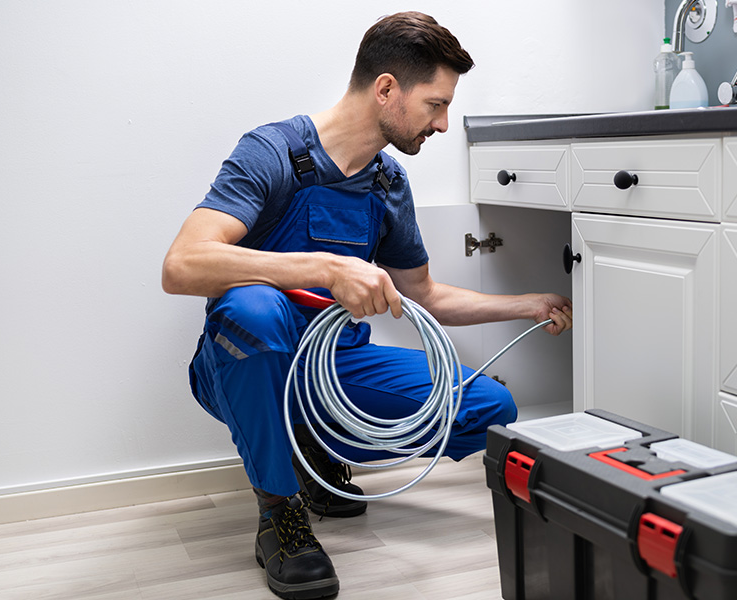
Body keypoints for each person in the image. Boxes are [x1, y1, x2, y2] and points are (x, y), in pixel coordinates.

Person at [162, 11, 572, 600]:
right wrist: (324, 267)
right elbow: (182, 265)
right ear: (386, 89)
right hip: (247, 361)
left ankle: (312, 452)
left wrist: (526, 303)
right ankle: (281, 515)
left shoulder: (387, 184)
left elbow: (423, 295)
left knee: (488, 406)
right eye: (435, 104)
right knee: (254, 312)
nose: (443, 122)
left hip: (337, 369)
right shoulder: (273, 152)